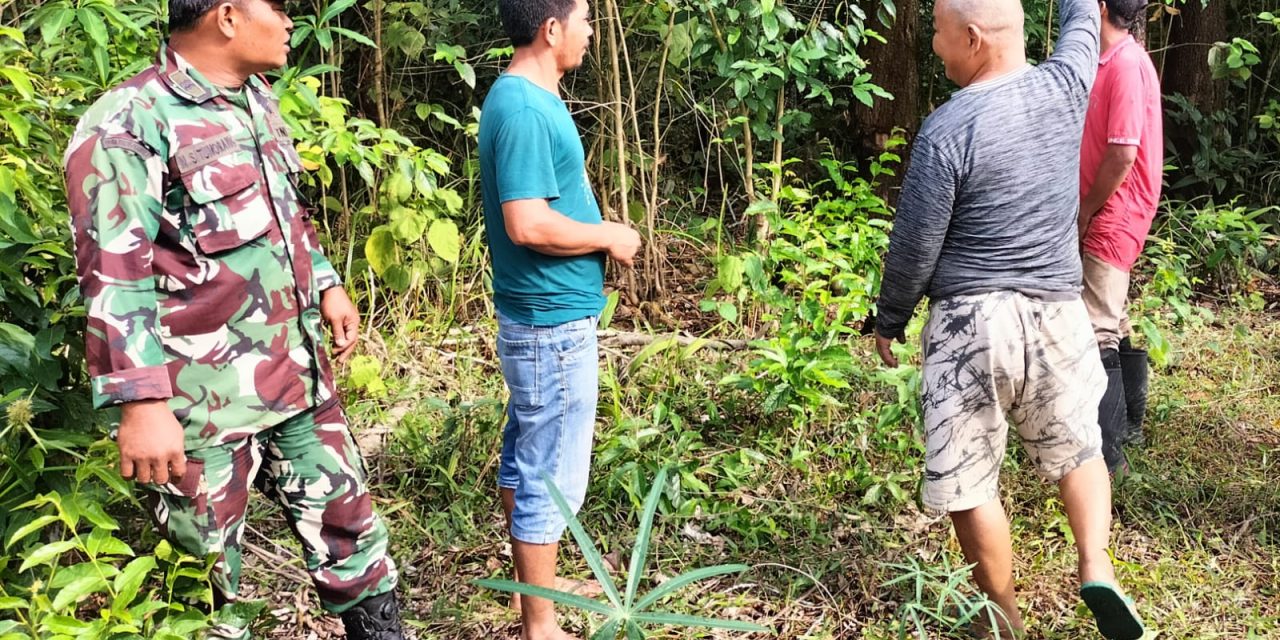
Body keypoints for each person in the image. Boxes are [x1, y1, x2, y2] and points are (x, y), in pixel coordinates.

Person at [63, 2, 403, 638]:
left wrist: (326, 283)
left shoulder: (255, 99)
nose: (287, 21)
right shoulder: (129, 122)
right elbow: (114, 272)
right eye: (275, 7)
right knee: (205, 583)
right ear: (225, 16)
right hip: (200, 403)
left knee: (355, 539)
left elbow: (283, 216)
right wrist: (142, 404)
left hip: (295, 373)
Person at [872, 0, 1144, 637]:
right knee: (1079, 449)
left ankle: (1002, 620)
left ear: (971, 37)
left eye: (938, 36)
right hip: (1057, 314)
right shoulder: (1068, 81)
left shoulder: (946, 130)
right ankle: (1096, 564)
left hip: (973, 324)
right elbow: (1082, 15)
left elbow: (915, 246)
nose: (935, 50)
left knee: (969, 480)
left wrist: (889, 319)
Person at [478, 1, 641, 638]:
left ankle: (531, 591)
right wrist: (608, 236)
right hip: (551, 328)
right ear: (552, 29)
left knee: (526, 462)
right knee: (550, 478)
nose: (592, 33)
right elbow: (527, 222)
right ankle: (539, 626)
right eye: (585, 20)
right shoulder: (522, 107)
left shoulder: (529, 99)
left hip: (546, 322)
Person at [1078, 0, 1163, 462]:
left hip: (1115, 210)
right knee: (1115, 314)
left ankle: (1108, 459)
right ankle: (1131, 425)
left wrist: (1087, 210)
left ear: (1101, 7)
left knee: (1098, 329)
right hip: (1105, 207)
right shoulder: (1105, 60)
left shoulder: (1127, 64)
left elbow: (1123, 153)